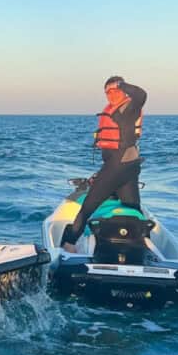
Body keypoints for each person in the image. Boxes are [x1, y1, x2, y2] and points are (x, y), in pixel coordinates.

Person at [61, 76, 147, 249]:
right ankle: (140, 244)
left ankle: (68, 245)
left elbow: (141, 95)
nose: (110, 94)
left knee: (87, 208)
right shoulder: (114, 108)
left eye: (115, 90)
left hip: (118, 165)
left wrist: (121, 84)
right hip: (129, 167)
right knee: (133, 208)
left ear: (123, 90)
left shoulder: (128, 107)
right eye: (107, 91)